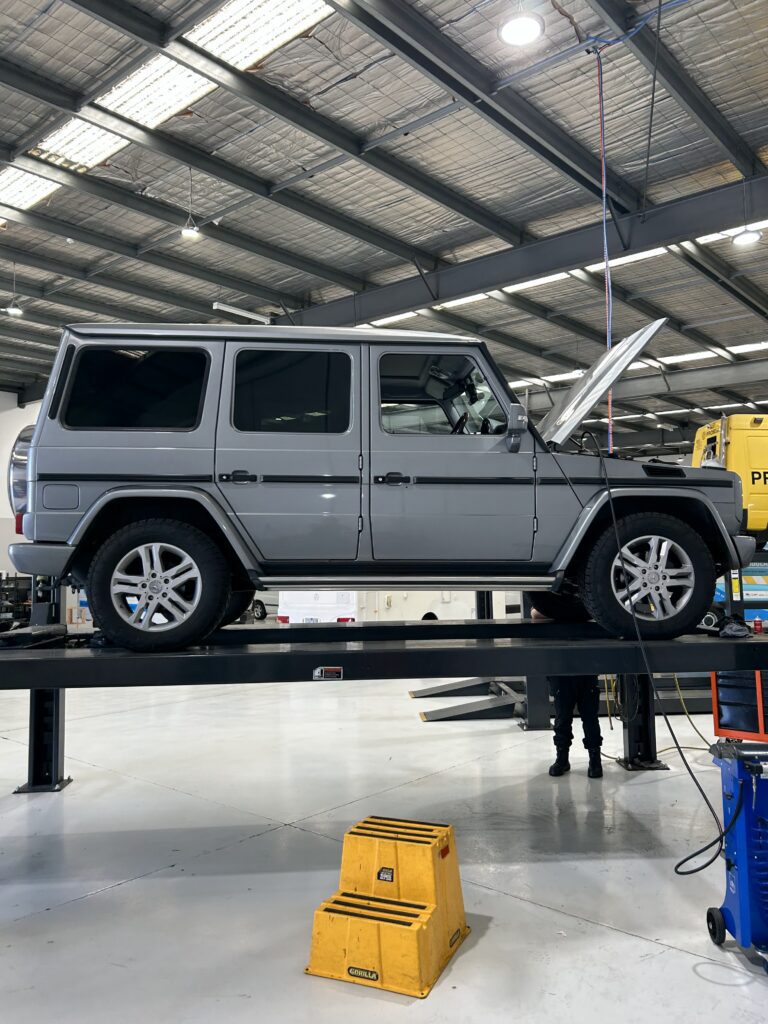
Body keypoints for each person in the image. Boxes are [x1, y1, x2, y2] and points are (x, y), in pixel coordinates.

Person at [548, 675, 603, 778]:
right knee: (562, 719)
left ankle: (595, 759)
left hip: (587, 673)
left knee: (590, 719)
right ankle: (562, 758)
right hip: (562, 674)